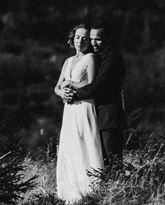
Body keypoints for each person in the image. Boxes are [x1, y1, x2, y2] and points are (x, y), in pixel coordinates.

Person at [64, 20, 126, 169]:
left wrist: (73, 93)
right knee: (100, 162)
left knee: (112, 163)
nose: (94, 42)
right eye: (91, 39)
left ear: (107, 38)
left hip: (110, 119)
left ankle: (117, 190)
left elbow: (97, 86)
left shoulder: (113, 59)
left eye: (97, 39)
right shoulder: (100, 57)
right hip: (99, 117)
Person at [54, 23, 105, 203]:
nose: (80, 41)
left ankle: (89, 189)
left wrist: (71, 85)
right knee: (70, 146)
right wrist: (62, 92)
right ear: (72, 38)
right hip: (69, 109)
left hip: (84, 107)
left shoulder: (91, 58)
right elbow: (57, 86)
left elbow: (91, 85)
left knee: (86, 144)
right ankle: (70, 190)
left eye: (84, 38)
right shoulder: (68, 61)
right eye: (77, 37)